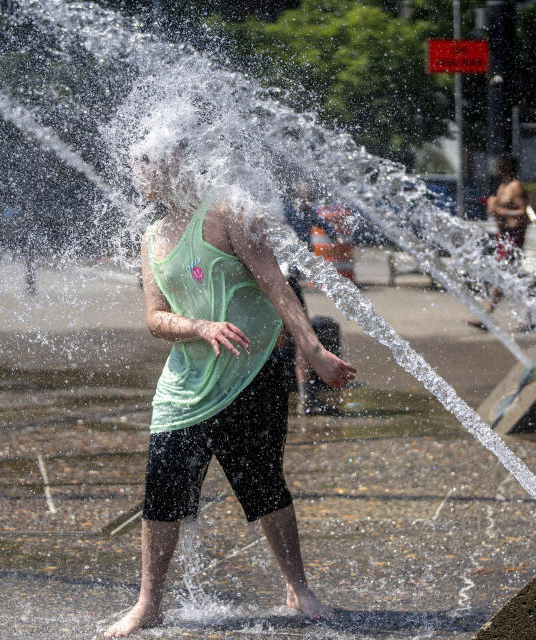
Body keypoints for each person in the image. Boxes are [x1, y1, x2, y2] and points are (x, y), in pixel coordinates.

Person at [104, 144, 357, 637]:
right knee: (163, 491)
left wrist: (314, 352)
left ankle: (298, 590)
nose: (138, 174)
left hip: (250, 371)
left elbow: (276, 286)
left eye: (147, 161)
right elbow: (155, 318)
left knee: (263, 483)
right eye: (134, 162)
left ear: (177, 160)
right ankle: (149, 604)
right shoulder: (153, 237)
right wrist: (199, 327)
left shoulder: (226, 212)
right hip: (186, 386)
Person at [468, 153, 531, 329]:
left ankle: (486, 315)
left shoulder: (515, 186)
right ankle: (530, 318)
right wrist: (493, 205)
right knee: (509, 277)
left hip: (514, 235)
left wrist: (502, 212)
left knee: (504, 276)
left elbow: (522, 213)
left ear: (507, 166)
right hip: (502, 236)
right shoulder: (502, 186)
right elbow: (495, 210)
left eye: (500, 164)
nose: (496, 166)